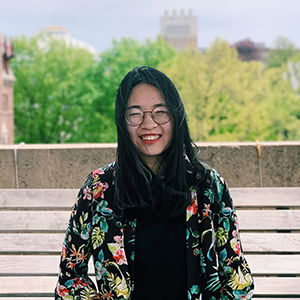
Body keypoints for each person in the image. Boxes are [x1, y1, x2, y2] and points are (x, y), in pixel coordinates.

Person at [55, 66, 254, 300]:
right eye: (135, 113)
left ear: (176, 116)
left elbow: (236, 275)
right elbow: (70, 278)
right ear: (122, 121)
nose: (148, 124)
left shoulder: (208, 186)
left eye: (160, 112)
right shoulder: (99, 187)